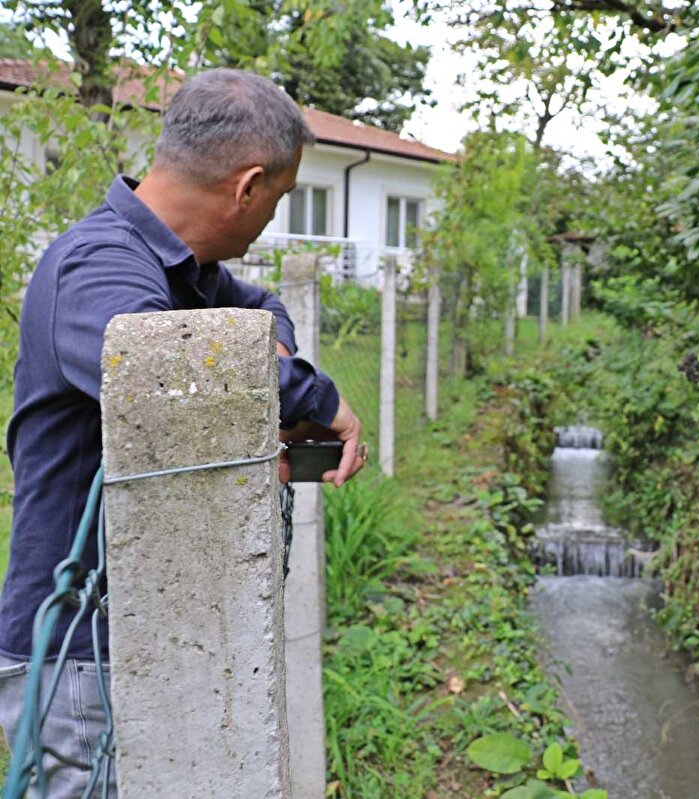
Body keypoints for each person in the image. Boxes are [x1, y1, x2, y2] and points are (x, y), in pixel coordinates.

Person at [0, 68, 365, 797]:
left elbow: (260, 311)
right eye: (282, 198)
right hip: (84, 655)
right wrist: (318, 395)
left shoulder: (179, 268)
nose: (272, 218)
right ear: (248, 187)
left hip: (144, 629)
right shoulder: (100, 268)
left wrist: (275, 359)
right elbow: (190, 382)